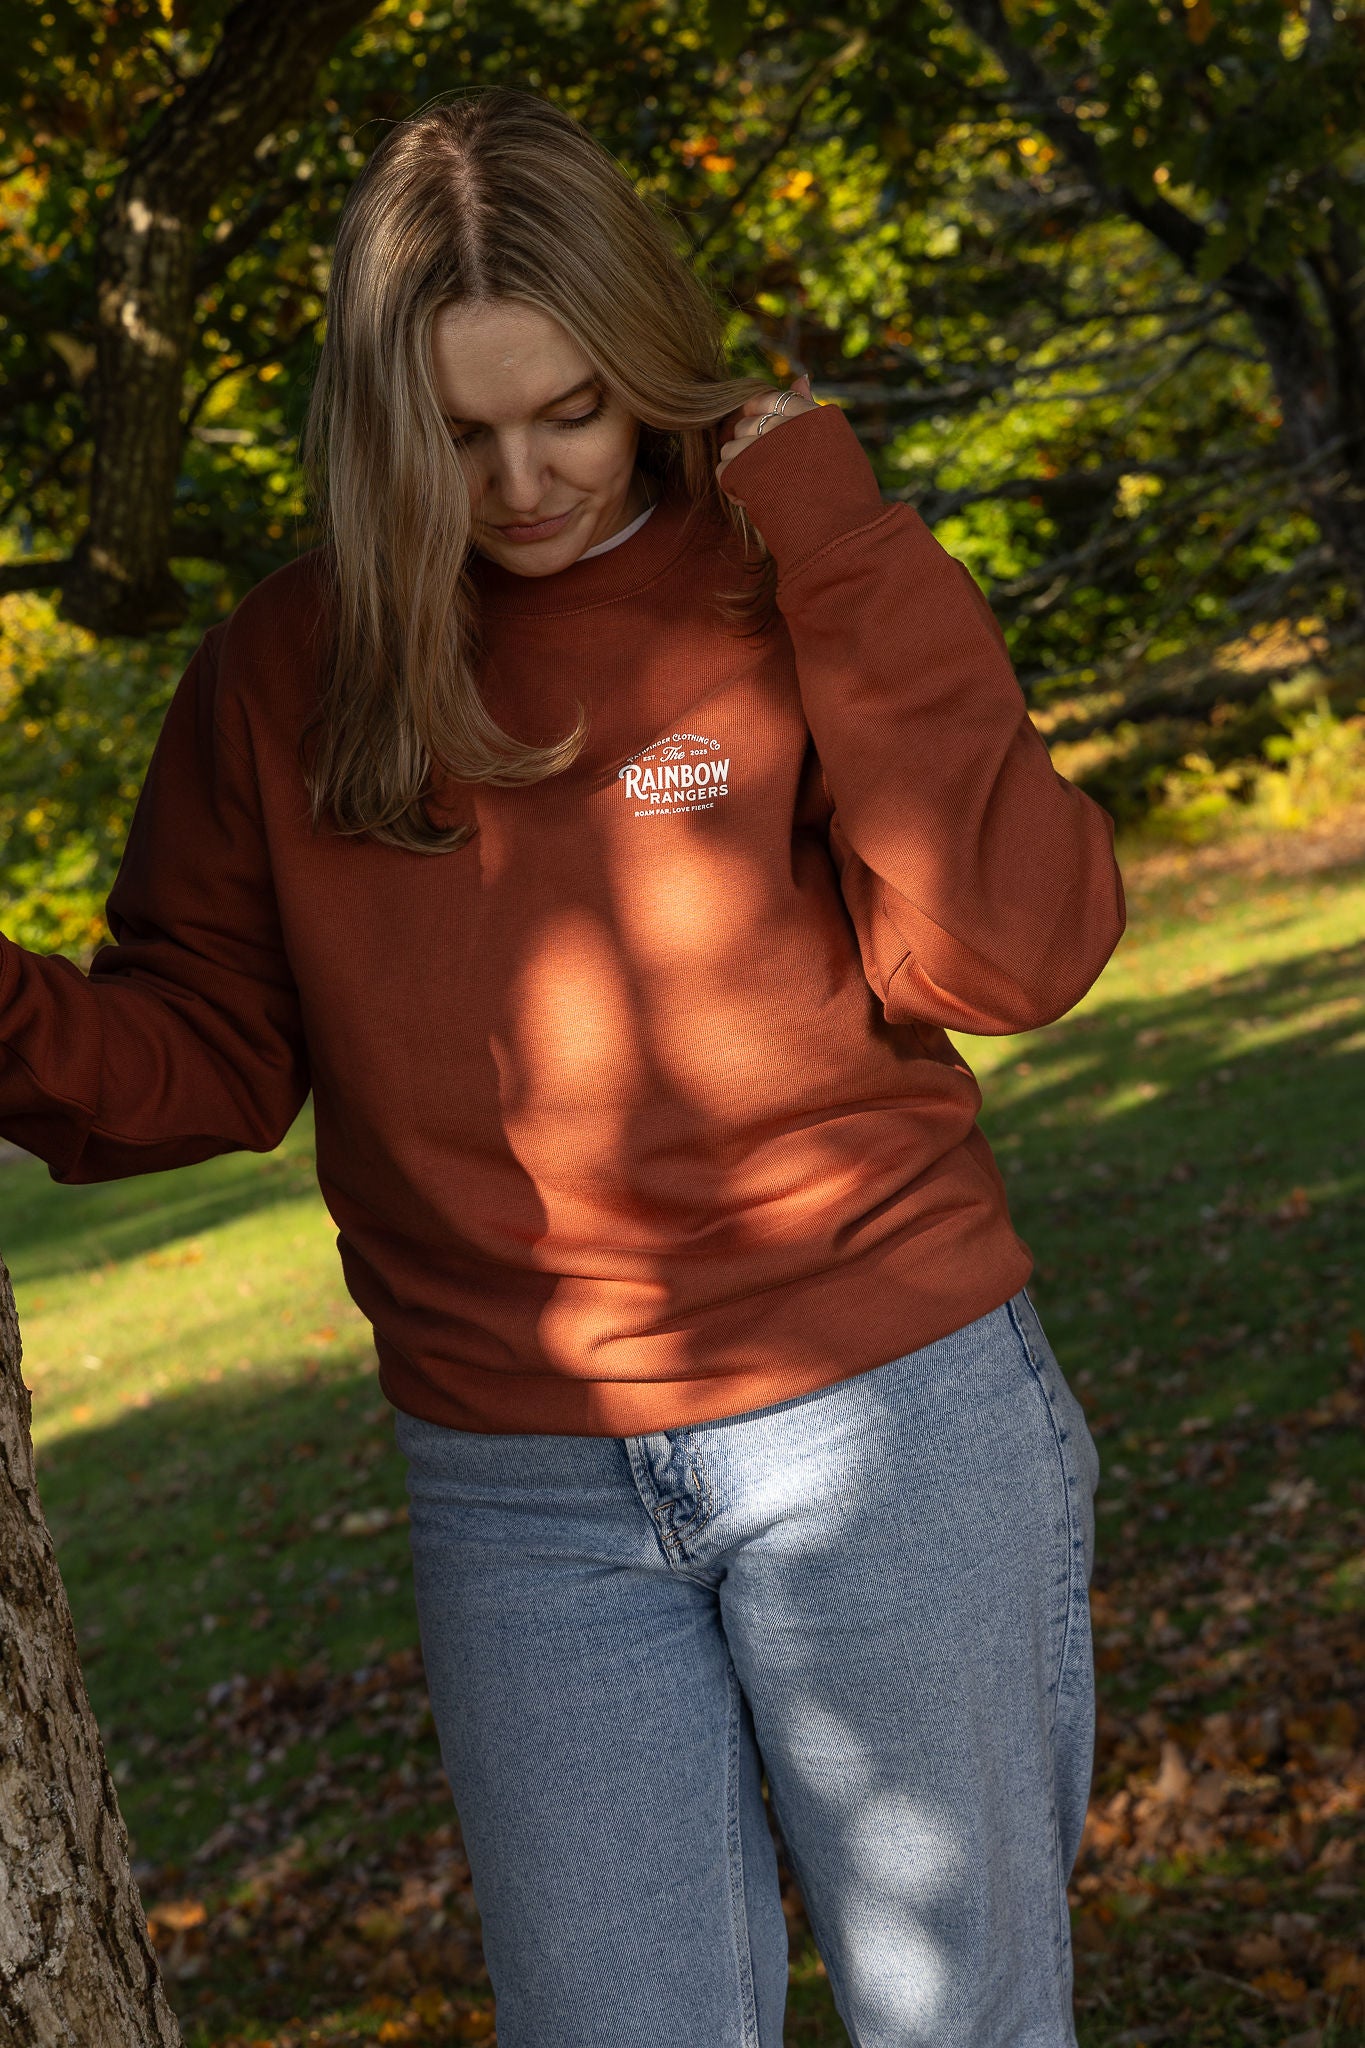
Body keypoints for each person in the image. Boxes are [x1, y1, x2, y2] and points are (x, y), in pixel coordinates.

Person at [0, 86, 1125, 2048]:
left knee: (957, 2023)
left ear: (644, 374)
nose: (521, 479)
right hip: (516, 1482)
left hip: (881, 1411)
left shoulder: (773, 572)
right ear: (374, 425)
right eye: (456, 436)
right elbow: (193, 1061)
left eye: (570, 413)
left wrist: (837, 531)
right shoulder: (289, 670)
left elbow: (1004, 949)